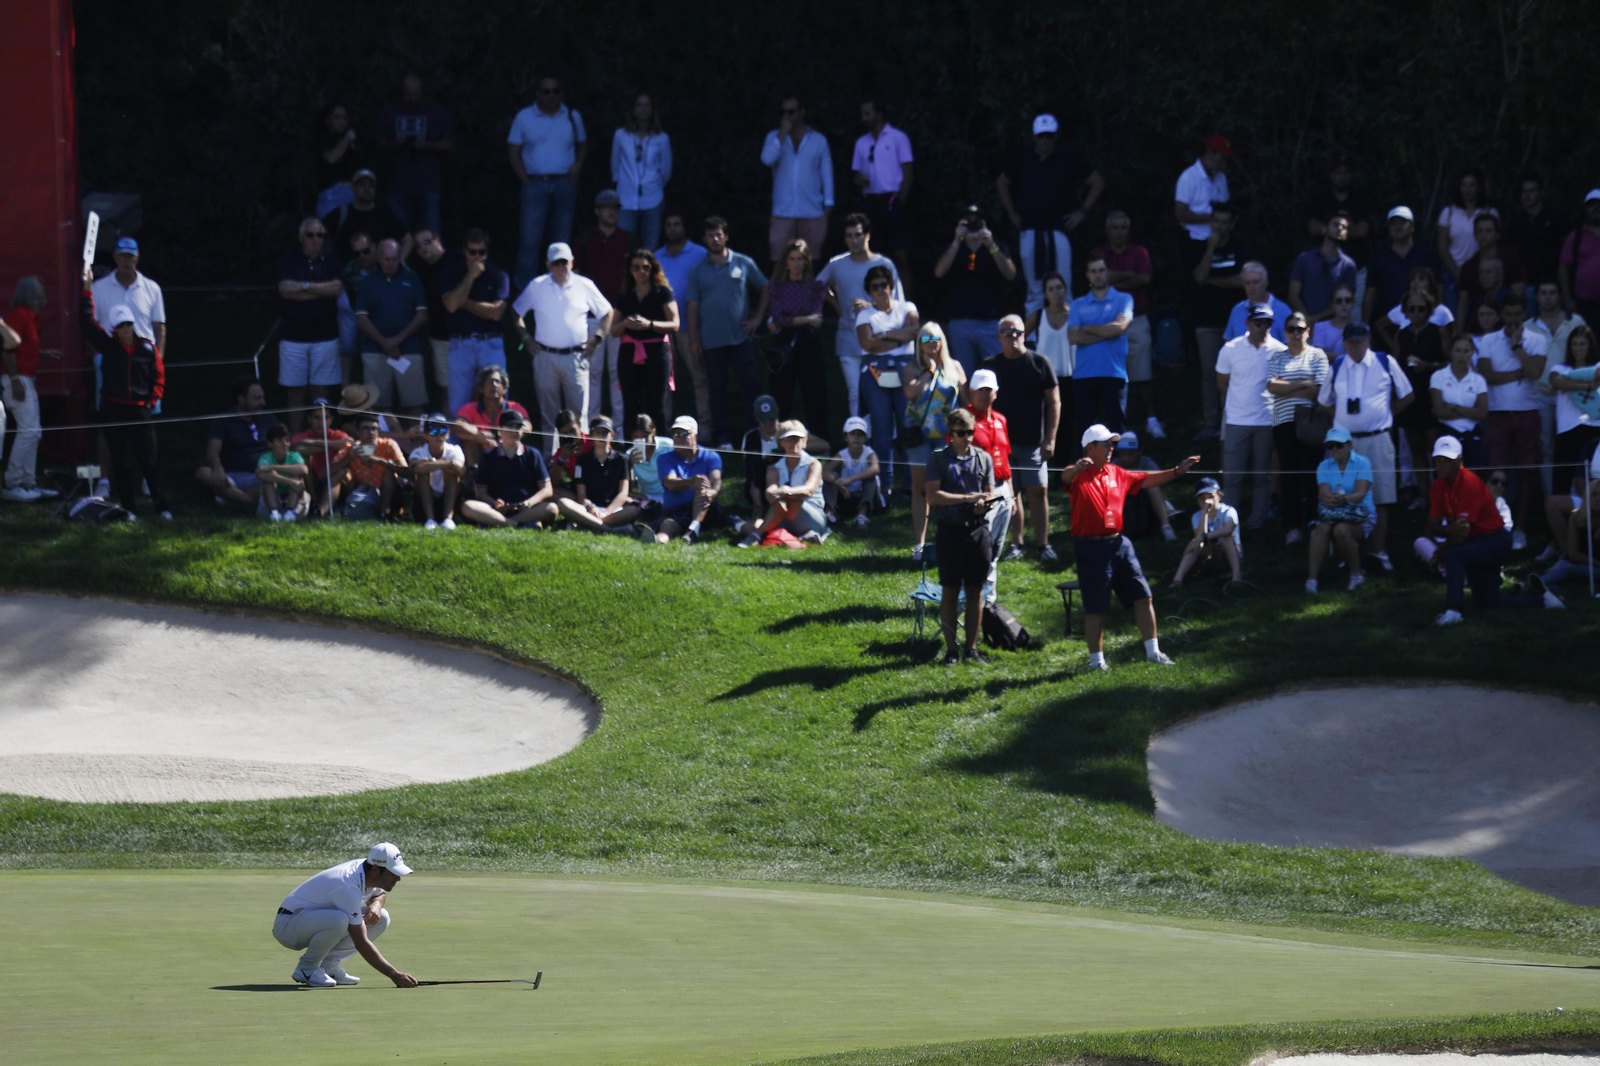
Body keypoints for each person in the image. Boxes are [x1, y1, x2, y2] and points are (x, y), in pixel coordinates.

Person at [1062, 424, 1199, 670]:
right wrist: (1076, 469)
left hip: (1120, 543)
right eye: (1106, 444)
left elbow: (1147, 479)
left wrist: (1177, 471)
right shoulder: (1077, 473)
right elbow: (1065, 477)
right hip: (1090, 547)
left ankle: (1153, 652)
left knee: (1143, 597)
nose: (1111, 449)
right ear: (1090, 448)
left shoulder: (1118, 472)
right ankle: (1097, 663)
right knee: (1095, 608)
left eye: (1112, 444)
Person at [1427, 434, 1562, 624]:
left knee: (1453, 555)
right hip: (1479, 540)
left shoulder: (1469, 484)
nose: (1441, 465)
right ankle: (1546, 602)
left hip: (1494, 540)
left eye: (1447, 461)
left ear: (1459, 461)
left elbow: (1460, 533)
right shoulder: (1437, 486)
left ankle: (1454, 611)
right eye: (1438, 460)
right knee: (1487, 603)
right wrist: (1448, 532)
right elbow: (1432, 526)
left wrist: (1440, 551)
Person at [1315, 321, 1413, 567]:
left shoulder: (1385, 362)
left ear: (1368, 340)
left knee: (1380, 497)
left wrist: (1386, 414)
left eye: (1360, 341)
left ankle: (1379, 552)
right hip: (1344, 444)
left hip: (1378, 438)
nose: (1355, 346)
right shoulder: (1337, 365)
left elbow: (1408, 394)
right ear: (1345, 343)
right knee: (1342, 496)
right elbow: (1323, 401)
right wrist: (1340, 420)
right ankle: (1347, 554)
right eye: (1350, 342)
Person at [510, 241, 614, 456]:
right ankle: (552, 463)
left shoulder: (584, 285)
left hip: (576, 357)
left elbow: (607, 312)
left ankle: (582, 463)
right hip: (545, 356)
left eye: (565, 262)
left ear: (572, 262)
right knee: (549, 418)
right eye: (556, 263)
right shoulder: (537, 285)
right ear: (548, 264)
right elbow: (516, 312)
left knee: (579, 417)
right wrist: (526, 339)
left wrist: (597, 338)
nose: (561, 267)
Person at [78, 275, 169, 518]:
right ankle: (129, 509)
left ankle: (163, 508)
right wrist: (87, 290)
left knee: (148, 461)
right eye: (120, 326)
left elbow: (158, 376)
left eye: (128, 324)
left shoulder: (147, 349)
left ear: (133, 325)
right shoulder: (109, 346)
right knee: (120, 462)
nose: (126, 329)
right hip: (113, 409)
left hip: (139, 410)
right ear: (114, 330)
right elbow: (86, 322)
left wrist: (152, 400)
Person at [997, 113, 1104, 314]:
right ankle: (1033, 340)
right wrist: (1012, 214)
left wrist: (1082, 212)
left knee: (1064, 286)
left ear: (1055, 136)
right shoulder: (1022, 158)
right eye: (1041, 136)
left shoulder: (1067, 158)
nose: (1045, 140)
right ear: (1034, 137)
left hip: (1059, 231)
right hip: (1030, 232)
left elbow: (1097, 181)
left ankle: (1068, 338)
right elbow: (1002, 182)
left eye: (1049, 136)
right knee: (1035, 290)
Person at [274, 842, 417, 989]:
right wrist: (394, 974)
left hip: (310, 921)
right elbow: (360, 940)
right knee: (340, 920)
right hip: (288, 926)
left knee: (382, 917)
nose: (398, 878)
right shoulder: (347, 885)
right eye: (393, 873)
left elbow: (379, 894)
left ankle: (329, 966)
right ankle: (307, 968)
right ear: (376, 869)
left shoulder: (368, 871)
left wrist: (376, 905)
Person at [924, 407, 1001, 666]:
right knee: (949, 591)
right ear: (951, 433)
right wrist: (968, 498)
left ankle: (971, 649)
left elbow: (989, 494)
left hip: (978, 530)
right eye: (961, 433)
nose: (967, 437)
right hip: (950, 530)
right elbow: (933, 496)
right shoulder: (938, 459)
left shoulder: (984, 458)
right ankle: (951, 650)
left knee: (975, 592)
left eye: (970, 432)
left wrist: (984, 504)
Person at [979, 314, 1057, 563]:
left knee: (1039, 490)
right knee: (1012, 496)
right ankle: (1017, 544)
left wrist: (1050, 439)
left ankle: (1044, 545)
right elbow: (978, 401)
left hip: (1034, 441)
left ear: (1025, 334)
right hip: (1000, 445)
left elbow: (1054, 401)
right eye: (1008, 333)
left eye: (1019, 333)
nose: (1014, 337)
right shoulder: (989, 366)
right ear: (999, 337)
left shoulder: (1039, 362)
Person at [685, 217, 769, 450]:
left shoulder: (743, 262)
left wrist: (758, 318)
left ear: (726, 236)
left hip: (741, 339)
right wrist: (693, 340)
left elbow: (764, 288)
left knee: (751, 387)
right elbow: (692, 306)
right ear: (704, 240)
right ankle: (724, 439)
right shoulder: (697, 271)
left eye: (719, 234)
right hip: (711, 342)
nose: (715, 239)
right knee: (717, 392)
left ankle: (756, 435)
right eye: (711, 235)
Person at [1475, 291, 1547, 547]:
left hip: (1527, 412)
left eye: (1517, 314)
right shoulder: (1487, 341)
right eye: (1508, 314)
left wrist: (1517, 347)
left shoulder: (1537, 340)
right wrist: (1517, 373)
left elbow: (1535, 372)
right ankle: (1495, 525)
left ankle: (1521, 528)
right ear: (1501, 315)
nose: (1513, 319)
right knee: (1497, 472)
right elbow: (1488, 376)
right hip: (1498, 415)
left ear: (1525, 314)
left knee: (1526, 472)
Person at [819, 213, 903, 418]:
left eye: (858, 235)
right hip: (848, 339)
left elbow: (899, 302)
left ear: (867, 236)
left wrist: (872, 305)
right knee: (856, 393)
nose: (854, 240)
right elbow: (816, 288)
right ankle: (859, 440)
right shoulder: (836, 264)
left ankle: (885, 443)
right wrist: (836, 305)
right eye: (849, 236)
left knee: (883, 392)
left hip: (880, 341)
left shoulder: (884, 264)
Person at [509, 75, 587, 287]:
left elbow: (583, 145)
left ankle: (558, 289)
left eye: (555, 91)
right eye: (546, 91)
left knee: (561, 243)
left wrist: (578, 166)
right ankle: (525, 294)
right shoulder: (524, 117)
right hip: (535, 184)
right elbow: (513, 151)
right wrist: (525, 180)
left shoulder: (572, 116)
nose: (551, 95)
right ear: (538, 94)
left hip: (564, 183)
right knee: (529, 242)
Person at [1090, 211, 1160, 439]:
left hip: (1136, 318)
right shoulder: (1098, 253)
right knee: (1109, 373)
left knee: (1143, 371)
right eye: (1115, 227)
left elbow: (1145, 279)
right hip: (1107, 321)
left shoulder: (1140, 252)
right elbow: (1098, 279)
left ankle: (1151, 420)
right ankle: (1113, 423)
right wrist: (1130, 277)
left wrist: (1113, 278)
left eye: (1123, 227)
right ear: (1108, 230)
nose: (1119, 232)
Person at [1216, 304, 1286, 533]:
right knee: (1232, 478)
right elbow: (1222, 383)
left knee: (1261, 478)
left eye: (1267, 323)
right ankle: (1229, 529)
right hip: (1236, 421)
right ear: (1248, 323)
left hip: (1266, 422)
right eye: (1258, 322)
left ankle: (1258, 525)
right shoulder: (1230, 348)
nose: (1263, 327)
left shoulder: (1279, 350)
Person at [855, 264, 920, 497]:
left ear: (891, 286)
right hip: (875, 374)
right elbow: (868, 344)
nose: (880, 290)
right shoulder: (865, 314)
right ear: (869, 291)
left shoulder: (907, 307)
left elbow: (914, 331)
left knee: (909, 427)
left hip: (906, 373)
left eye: (884, 285)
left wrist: (883, 335)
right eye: (875, 287)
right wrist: (897, 338)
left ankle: (913, 483)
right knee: (882, 429)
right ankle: (885, 484)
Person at [1266, 311, 1331, 544]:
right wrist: (1303, 382)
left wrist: (1288, 386)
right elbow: (1272, 386)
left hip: (1311, 421)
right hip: (1283, 422)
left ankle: (1314, 519)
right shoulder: (1277, 357)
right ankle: (1292, 526)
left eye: (1300, 329)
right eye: (1291, 329)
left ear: (1308, 331)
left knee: (1313, 472)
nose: (1296, 333)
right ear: (1285, 332)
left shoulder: (1317, 355)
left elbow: (1319, 389)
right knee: (1289, 474)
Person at [902, 323, 965, 551]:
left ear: (942, 341)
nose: (931, 342)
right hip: (919, 436)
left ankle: (947, 540)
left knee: (947, 487)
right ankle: (919, 544)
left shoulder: (955, 367)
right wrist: (928, 372)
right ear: (919, 343)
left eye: (935, 338)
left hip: (947, 437)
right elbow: (910, 392)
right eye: (925, 338)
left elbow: (965, 400)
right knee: (920, 488)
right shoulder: (912, 368)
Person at [576, 189, 637, 422]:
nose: (612, 211)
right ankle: (591, 430)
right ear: (597, 211)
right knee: (591, 374)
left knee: (618, 375)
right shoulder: (584, 239)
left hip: (621, 318)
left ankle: (620, 431)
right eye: (607, 207)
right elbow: (576, 278)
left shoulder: (629, 240)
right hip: (592, 318)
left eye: (615, 207)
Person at [933, 209, 1017, 376]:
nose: (973, 227)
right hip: (960, 323)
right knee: (964, 376)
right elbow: (939, 272)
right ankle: (967, 404)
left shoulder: (996, 247)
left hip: (991, 323)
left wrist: (991, 244)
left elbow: (1010, 274)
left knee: (996, 374)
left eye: (977, 222)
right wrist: (957, 241)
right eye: (968, 222)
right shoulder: (952, 248)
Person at [1189, 201, 1245, 441]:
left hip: (1236, 322)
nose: (1220, 227)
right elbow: (1199, 277)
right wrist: (1210, 248)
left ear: (1232, 224)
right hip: (1207, 322)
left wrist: (1212, 281)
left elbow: (1241, 281)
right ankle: (1211, 423)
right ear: (1211, 223)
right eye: (1216, 222)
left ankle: (1233, 421)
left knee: (1238, 373)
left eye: (1225, 222)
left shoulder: (1240, 248)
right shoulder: (1199, 248)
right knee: (1210, 374)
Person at [439, 229, 510, 418]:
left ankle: (499, 445)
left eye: (482, 252)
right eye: (472, 252)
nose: (477, 257)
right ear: (465, 251)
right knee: (458, 406)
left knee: (497, 401)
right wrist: (470, 276)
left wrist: (465, 302)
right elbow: (452, 306)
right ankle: (456, 447)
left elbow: (496, 313)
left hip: (490, 343)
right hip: (460, 345)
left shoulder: (498, 275)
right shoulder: (451, 273)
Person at [355, 239, 429, 416]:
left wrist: (396, 340)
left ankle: (416, 443)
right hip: (374, 350)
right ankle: (382, 443)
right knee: (377, 406)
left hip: (409, 350)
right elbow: (361, 317)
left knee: (414, 404)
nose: (391, 263)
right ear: (379, 259)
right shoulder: (367, 283)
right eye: (387, 259)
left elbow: (422, 315)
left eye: (395, 259)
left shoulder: (412, 279)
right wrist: (384, 342)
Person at [375, 72, 454, 236]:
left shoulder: (436, 111)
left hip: (428, 184)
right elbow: (378, 142)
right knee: (399, 236)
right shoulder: (389, 111)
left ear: (423, 92)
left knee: (431, 235)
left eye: (416, 94)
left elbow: (450, 143)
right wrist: (394, 144)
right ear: (402, 92)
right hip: (397, 184)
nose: (412, 98)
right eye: (408, 94)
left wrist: (427, 145)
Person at [2, 276, 59, 502]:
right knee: (29, 431)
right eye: (39, 295)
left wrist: (41, 354)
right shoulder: (19, 314)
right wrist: (15, 378)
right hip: (16, 379)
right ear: (29, 296)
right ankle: (13, 483)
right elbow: (6, 348)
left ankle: (27, 483)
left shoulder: (29, 317)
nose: (43, 299)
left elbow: (20, 347)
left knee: (33, 432)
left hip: (23, 378)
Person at [761, 94, 833, 269]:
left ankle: (808, 297)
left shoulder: (818, 140)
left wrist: (828, 207)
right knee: (780, 264)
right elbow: (766, 159)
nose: (787, 116)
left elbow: (826, 174)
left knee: (811, 264)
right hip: (782, 213)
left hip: (812, 213)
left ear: (802, 112)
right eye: (783, 112)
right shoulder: (774, 137)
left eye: (791, 112)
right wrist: (782, 134)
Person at [611, 248, 678, 434]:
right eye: (636, 268)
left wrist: (649, 324)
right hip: (629, 353)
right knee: (630, 406)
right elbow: (613, 330)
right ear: (630, 270)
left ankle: (660, 452)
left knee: (657, 407)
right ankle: (631, 453)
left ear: (652, 269)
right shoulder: (625, 295)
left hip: (657, 352)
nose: (641, 272)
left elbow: (675, 324)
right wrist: (626, 323)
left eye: (645, 268)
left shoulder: (662, 292)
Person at [655, 211, 710, 428]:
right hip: (664, 328)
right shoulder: (656, 256)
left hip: (691, 328)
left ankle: (706, 428)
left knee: (700, 378)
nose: (672, 228)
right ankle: (664, 427)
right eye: (668, 224)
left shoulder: (700, 254)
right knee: (665, 380)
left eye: (677, 224)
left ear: (684, 227)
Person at [765, 238, 828, 427]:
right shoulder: (776, 286)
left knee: (814, 392)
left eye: (800, 259)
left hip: (808, 341)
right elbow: (777, 318)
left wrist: (792, 320)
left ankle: (820, 439)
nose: (796, 263)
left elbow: (817, 318)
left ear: (807, 261)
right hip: (784, 342)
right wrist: (804, 319)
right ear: (786, 261)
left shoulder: (815, 286)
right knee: (781, 392)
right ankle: (778, 439)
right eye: (792, 259)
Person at [1392, 289, 1452, 488]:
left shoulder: (1437, 331)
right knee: (1416, 450)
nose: (1416, 312)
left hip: (1431, 396)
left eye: (1421, 308)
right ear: (1405, 311)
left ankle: (1442, 495)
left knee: (1434, 449)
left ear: (1428, 310)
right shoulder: (1402, 335)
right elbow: (1395, 365)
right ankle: (1424, 497)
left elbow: (1449, 362)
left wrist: (1430, 366)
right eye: (1412, 309)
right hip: (1410, 396)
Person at [1066, 255, 1131, 438]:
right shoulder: (1078, 304)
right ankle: (1087, 467)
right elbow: (1073, 336)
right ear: (1087, 275)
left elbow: (1121, 328)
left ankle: (1118, 466)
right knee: (1086, 433)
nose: (1098, 275)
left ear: (1108, 272)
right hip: (1084, 375)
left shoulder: (1124, 299)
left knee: (1118, 430)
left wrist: (1088, 329)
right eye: (1093, 271)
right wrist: (1107, 331)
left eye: (1101, 270)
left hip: (1114, 373)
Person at [1305, 425, 1375, 593]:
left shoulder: (1362, 463)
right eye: (1330, 446)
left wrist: (1340, 499)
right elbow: (1323, 492)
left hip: (1361, 514)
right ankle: (1311, 580)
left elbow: (1360, 494)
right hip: (1334, 512)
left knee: (1341, 530)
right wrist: (1327, 498)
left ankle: (1356, 574)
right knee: (1321, 529)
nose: (1334, 449)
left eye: (1338, 445)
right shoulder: (1323, 466)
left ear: (1350, 445)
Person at [851, 98, 913, 285]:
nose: (864, 118)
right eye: (862, 114)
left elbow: (908, 173)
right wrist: (858, 180)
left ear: (879, 114)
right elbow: (856, 175)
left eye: (868, 114)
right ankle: (876, 305)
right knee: (873, 256)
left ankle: (908, 306)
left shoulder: (897, 137)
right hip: (870, 202)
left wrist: (899, 202)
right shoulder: (861, 142)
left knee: (901, 255)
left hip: (892, 201)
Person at [737, 419, 829, 546]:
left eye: (797, 439)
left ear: (804, 441)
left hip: (813, 516)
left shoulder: (814, 464)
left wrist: (787, 491)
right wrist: (773, 494)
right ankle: (804, 536)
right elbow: (770, 492)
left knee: (791, 499)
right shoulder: (775, 468)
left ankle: (757, 535)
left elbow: (808, 490)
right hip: (783, 513)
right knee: (751, 525)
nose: (794, 443)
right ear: (781, 443)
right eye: (789, 439)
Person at [460, 409, 559, 528]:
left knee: (551, 508)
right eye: (510, 427)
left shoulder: (533, 454)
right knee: (468, 506)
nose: (515, 431)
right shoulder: (488, 456)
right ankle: (517, 524)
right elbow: (481, 492)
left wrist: (529, 503)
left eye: (518, 427)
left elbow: (547, 489)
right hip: (496, 509)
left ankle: (500, 522)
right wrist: (495, 503)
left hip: (526, 509)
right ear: (500, 430)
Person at [965, 368, 1014, 598]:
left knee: (995, 546)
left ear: (996, 393)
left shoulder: (1001, 419)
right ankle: (974, 596)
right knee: (980, 546)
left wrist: (1012, 495)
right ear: (971, 392)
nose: (985, 395)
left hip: (1003, 487)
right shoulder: (964, 420)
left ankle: (989, 599)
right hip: (982, 491)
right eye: (980, 390)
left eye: (989, 390)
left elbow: (1006, 457)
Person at [610, 91, 672, 250]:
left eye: (647, 105)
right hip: (626, 199)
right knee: (624, 246)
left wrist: (653, 183)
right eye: (639, 105)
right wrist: (625, 183)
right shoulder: (621, 135)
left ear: (652, 110)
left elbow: (666, 170)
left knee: (650, 249)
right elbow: (615, 165)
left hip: (653, 199)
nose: (643, 109)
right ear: (633, 109)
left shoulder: (661, 138)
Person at [557, 415, 641, 533]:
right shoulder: (582, 461)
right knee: (563, 503)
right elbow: (581, 495)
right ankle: (610, 528)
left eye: (605, 433)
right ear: (591, 436)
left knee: (634, 510)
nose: (601, 436)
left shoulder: (620, 460)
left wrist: (606, 512)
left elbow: (623, 493)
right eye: (598, 432)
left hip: (613, 509)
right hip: (589, 509)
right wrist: (591, 507)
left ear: (611, 436)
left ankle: (588, 524)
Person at [1364, 205, 1444, 328]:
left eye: (1403, 222)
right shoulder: (1379, 257)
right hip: (1386, 325)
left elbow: (1438, 287)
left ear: (1412, 227)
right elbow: (1370, 292)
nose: (1398, 226)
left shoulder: (1426, 255)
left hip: (1422, 324)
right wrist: (1365, 325)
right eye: (1393, 223)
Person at [196, 376, 270, 508]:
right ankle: (246, 500)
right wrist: (218, 469)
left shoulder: (268, 418)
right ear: (241, 399)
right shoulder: (224, 420)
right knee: (203, 472)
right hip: (231, 478)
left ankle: (235, 498)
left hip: (261, 476)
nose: (262, 402)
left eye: (262, 397)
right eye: (257, 398)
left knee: (279, 474)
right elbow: (212, 451)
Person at [1545, 324, 1600, 498]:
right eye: (1574, 344)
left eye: (1582, 344)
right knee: (1561, 484)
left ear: (1590, 345)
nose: (1578, 348)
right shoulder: (1560, 368)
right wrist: (1589, 385)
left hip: (1594, 430)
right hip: (1567, 432)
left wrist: (1570, 384)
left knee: (1593, 484)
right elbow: (1556, 382)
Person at [652, 415, 725, 543]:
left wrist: (712, 492)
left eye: (684, 434)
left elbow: (716, 480)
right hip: (676, 509)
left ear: (695, 436)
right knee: (667, 526)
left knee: (703, 486)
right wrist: (691, 482)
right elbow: (670, 483)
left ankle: (693, 529)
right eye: (675, 434)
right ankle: (659, 539)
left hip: (706, 506)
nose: (678, 438)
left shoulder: (711, 456)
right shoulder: (664, 458)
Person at [1025, 272, 1075, 457]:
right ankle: (1041, 466)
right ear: (1045, 294)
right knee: (1042, 424)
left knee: (1066, 425)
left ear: (1065, 290)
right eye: (1051, 289)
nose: (1056, 292)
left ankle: (1063, 470)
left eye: (1059, 288)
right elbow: (1018, 338)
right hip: (1043, 380)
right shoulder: (1037, 317)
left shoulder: (1075, 315)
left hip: (1070, 378)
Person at [1174, 134, 1232, 283]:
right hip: (1195, 240)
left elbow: (1226, 207)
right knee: (1197, 282)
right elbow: (1180, 214)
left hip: (1219, 240)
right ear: (1210, 153)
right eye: (1222, 158)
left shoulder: (1221, 178)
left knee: (1220, 279)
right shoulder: (1189, 177)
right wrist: (1212, 219)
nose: (1224, 164)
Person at [1430, 334, 1491, 471]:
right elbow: (1439, 411)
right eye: (1458, 351)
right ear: (1451, 352)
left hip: (1472, 433)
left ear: (1472, 353)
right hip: (1447, 432)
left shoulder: (1478, 380)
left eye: (1466, 351)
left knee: (1475, 477)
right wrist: (1470, 411)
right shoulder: (1438, 376)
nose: (1462, 355)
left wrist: (1453, 406)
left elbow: (1482, 413)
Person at [407, 225, 453, 403]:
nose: (423, 248)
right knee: (445, 391)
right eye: (418, 246)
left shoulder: (456, 260)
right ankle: (446, 429)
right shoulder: (420, 270)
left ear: (437, 241)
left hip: (463, 336)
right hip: (439, 337)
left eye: (426, 242)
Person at [323, 169, 409, 264]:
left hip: (378, 274)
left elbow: (408, 239)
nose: (367, 189)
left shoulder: (384, 214)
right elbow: (317, 233)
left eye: (371, 186)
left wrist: (398, 263)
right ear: (353, 188)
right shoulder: (342, 213)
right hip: (347, 274)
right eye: (362, 185)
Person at [453, 364, 529, 469]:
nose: (494, 385)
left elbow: (527, 428)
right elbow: (458, 426)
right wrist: (479, 436)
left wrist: (501, 437)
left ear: (504, 389)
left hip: (508, 451)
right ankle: (475, 479)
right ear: (481, 388)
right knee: (469, 441)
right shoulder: (470, 408)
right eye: (490, 382)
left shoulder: (514, 407)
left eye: (498, 382)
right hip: (481, 454)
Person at [1170, 478, 1241, 587]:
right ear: (1197, 501)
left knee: (1227, 538)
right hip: (1209, 555)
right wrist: (1204, 514)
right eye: (1202, 498)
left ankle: (1236, 577)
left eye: (1211, 497)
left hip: (1229, 554)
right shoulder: (1197, 516)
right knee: (1197, 544)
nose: (1207, 501)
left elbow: (1228, 529)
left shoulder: (1228, 511)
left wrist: (1204, 536)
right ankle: (1177, 580)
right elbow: (1198, 538)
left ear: (1219, 496)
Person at [1290, 212, 1358, 323]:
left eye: (1344, 227)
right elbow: (1293, 296)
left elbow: (1345, 301)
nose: (1340, 229)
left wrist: (1314, 320)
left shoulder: (1348, 265)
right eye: (1335, 225)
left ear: (1346, 234)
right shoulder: (1304, 259)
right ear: (1325, 228)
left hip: (1334, 327)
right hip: (1303, 325)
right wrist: (1306, 319)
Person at [291, 399, 355, 516]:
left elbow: (348, 442)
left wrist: (313, 443)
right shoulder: (301, 436)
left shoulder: (338, 434)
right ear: (309, 419)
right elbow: (297, 450)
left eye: (325, 418)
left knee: (343, 472)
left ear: (331, 420)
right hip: (311, 481)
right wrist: (333, 445)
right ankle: (314, 502)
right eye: (316, 418)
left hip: (333, 478)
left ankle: (321, 510)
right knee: (303, 459)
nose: (321, 422)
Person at [1436, 169, 1496, 294]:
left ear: (1479, 188)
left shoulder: (1490, 212)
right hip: (1452, 271)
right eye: (1464, 185)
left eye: (1472, 185)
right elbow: (1442, 246)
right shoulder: (1449, 212)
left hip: (1481, 271)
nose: (1468, 189)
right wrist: (1455, 271)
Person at [342, 412, 410, 520]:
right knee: (343, 473)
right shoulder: (351, 448)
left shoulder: (389, 444)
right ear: (357, 432)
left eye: (374, 429)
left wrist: (381, 461)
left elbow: (407, 472)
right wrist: (348, 459)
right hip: (361, 491)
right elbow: (327, 473)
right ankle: (338, 508)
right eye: (365, 428)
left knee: (388, 473)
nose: (370, 432)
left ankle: (384, 514)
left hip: (390, 493)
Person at [1457, 214, 1525, 320]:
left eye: (1488, 231)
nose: (1484, 235)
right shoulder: (1468, 267)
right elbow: (1462, 304)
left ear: (1497, 234)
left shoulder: (1510, 260)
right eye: (1480, 231)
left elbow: (1518, 296)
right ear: (1475, 235)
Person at [1113, 431, 1177, 542]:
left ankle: (1166, 527)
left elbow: (1159, 480)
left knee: (1152, 484)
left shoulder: (1147, 463)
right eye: (1123, 454)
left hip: (1147, 503)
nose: (1126, 458)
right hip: (1125, 504)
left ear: (1139, 451)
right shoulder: (1115, 464)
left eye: (1130, 453)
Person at [1375, 266, 1454, 353]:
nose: (1415, 283)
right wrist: (1393, 346)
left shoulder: (1441, 311)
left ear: (1430, 284)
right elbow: (1379, 325)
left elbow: (1453, 338)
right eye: (1413, 280)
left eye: (1421, 279)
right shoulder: (1400, 309)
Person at [1509, 175, 1564, 298]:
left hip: (1551, 283)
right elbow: (1512, 252)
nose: (1527, 195)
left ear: (1541, 193)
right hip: (1526, 284)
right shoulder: (1516, 221)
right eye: (1524, 191)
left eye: (1532, 191)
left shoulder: (1554, 218)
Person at [1539, 476, 1600, 586]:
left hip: (1595, 568)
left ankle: (1538, 585)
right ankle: (1538, 587)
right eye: (1594, 495)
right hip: (1584, 562)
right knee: (1561, 568)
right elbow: (1573, 554)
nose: (1597, 499)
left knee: (1566, 569)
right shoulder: (1576, 516)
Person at [314, 102, 371, 219]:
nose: (341, 122)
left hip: (353, 195)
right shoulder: (323, 138)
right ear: (328, 120)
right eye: (337, 117)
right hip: (331, 196)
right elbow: (331, 158)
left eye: (344, 118)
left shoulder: (354, 141)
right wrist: (347, 139)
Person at [407, 415, 464, 529]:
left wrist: (429, 463)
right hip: (425, 500)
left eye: (442, 431)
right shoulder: (418, 452)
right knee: (423, 474)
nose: (438, 435)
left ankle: (448, 518)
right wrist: (448, 463)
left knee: (452, 474)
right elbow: (417, 469)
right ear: (426, 435)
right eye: (433, 431)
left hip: (448, 497)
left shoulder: (455, 449)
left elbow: (460, 470)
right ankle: (430, 519)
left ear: (447, 434)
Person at [824, 415, 880, 526]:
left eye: (860, 435)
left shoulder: (869, 453)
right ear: (846, 437)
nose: (856, 437)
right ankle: (829, 514)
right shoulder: (843, 454)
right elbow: (824, 471)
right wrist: (837, 482)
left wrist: (849, 480)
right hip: (847, 495)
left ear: (865, 438)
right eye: (853, 434)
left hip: (866, 496)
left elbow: (875, 469)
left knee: (870, 479)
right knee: (831, 477)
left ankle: (862, 515)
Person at [626, 413, 674, 530]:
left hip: (670, 494)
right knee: (623, 497)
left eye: (644, 438)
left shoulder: (667, 445)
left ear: (654, 432)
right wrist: (630, 466)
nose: (642, 442)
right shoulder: (629, 455)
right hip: (647, 498)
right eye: (636, 439)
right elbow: (628, 490)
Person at [1559, 189, 1600, 324]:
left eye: (1599, 204)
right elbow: (1564, 267)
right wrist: (1567, 299)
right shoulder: (1575, 237)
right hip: (1583, 304)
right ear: (1585, 208)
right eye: (1591, 204)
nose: (1596, 208)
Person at [1224, 262, 1293, 341]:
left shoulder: (1283, 311)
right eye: (1248, 283)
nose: (1252, 287)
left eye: (1256, 282)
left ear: (1266, 282)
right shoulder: (1237, 310)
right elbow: (1228, 342)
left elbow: (1290, 345)